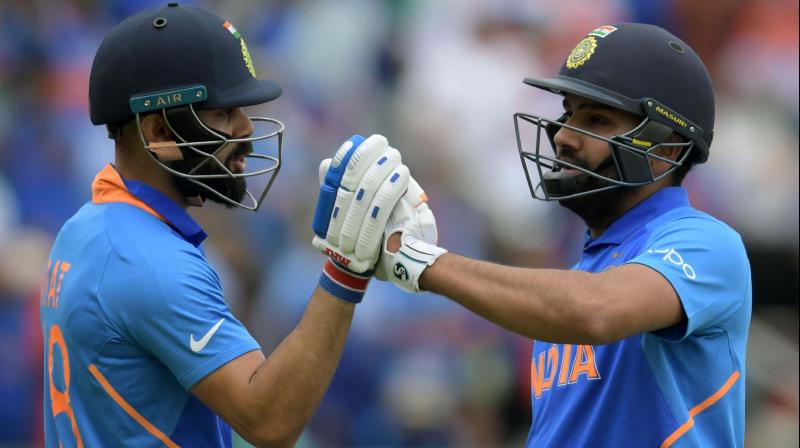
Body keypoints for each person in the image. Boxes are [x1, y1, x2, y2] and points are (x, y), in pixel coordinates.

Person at [314, 23, 751, 446]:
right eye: (568, 114)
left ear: (666, 149)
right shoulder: (578, 277)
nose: (563, 136)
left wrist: (419, 261)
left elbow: (595, 312)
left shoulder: (707, 243)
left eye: (597, 120)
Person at [40, 3, 408, 447]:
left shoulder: (85, 229)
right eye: (223, 112)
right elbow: (269, 421)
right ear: (158, 132)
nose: (246, 129)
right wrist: (344, 270)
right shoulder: (150, 262)